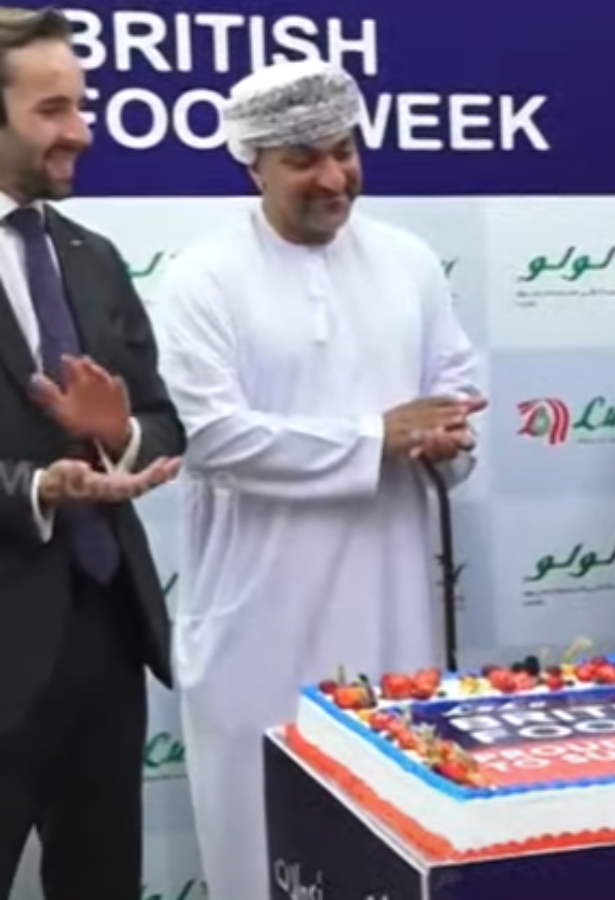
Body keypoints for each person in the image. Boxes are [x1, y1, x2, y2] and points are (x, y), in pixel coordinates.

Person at [154, 59, 486, 900]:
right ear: (253, 164)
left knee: (390, 840)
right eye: (303, 159)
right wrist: (378, 436)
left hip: (389, 611)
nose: (334, 178)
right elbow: (212, 437)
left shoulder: (410, 263)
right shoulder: (203, 276)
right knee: (258, 850)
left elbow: (454, 402)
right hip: (257, 620)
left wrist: (448, 441)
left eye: (344, 151)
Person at [0, 8, 184, 899]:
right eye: (52, 109)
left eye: (82, 104)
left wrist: (117, 437)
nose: (82, 130)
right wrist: (36, 488)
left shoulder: (94, 256)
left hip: (106, 641)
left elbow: (160, 420)